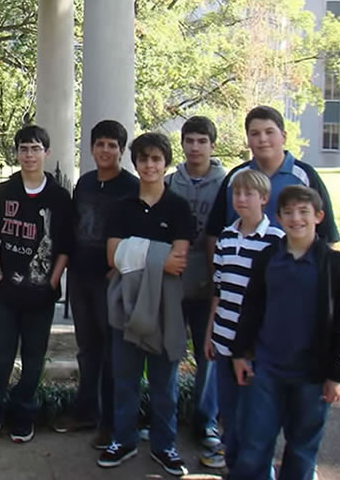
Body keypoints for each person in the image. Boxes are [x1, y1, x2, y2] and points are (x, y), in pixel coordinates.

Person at [0, 125, 74, 446]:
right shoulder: (3, 192)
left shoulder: (59, 197)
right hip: (7, 294)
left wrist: (52, 282)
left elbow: (65, 246)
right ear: (17, 153)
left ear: (46, 153)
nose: (29, 155)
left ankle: (23, 415)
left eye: (36, 148)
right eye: (24, 149)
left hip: (41, 295)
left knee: (33, 359)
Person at [229, 185, 340, 480]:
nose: (296, 219)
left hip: (312, 373)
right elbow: (251, 308)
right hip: (268, 369)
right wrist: (240, 353)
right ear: (279, 219)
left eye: (303, 212)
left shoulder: (334, 264)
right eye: (288, 213)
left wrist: (339, 374)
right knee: (256, 442)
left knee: (302, 446)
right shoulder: (269, 258)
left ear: (319, 216)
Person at [98, 133, 195, 476]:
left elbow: (178, 262)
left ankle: (164, 445)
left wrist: (135, 251)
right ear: (135, 163)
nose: (150, 165)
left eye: (156, 159)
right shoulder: (121, 207)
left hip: (166, 305)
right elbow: (113, 256)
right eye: (143, 159)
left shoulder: (178, 207)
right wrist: (157, 255)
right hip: (127, 300)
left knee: (163, 383)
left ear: (165, 162)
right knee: (124, 378)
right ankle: (122, 440)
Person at [53, 120, 138, 449]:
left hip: (110, 279)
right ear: (91, 148)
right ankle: (85, 410)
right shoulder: (85, 183)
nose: (106, 150)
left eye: (112, 145)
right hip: (81, 276)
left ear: (121, 150)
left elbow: (135, 232)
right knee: (87, 349)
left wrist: (118, 268)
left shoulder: (130, 187)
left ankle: (111, 422)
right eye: (100, 144)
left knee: (112, 351)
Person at [203, 169, 284, 474]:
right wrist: (210, 332)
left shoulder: (276, 240)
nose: (241, 199)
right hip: (224, 341)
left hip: (254, 347)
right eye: (237, 193)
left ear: (264, 199)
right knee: (231, 416)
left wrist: (254, 345)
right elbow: (219, 289)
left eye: (249, 194)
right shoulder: (225, 237)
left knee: (257, 420)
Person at [164, 115, 226, 464]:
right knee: (171, 353)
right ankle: (167, 420)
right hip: (176, 281)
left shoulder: (226, 183)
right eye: (189, 140)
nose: (195, 147)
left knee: (209, 356)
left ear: (212, 145)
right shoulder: (173, 183)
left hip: (210, 283)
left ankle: (205, 423)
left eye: (202, 140)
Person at [208, 105, 340, 243]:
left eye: (269, 132)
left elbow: (327, 234)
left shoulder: (305, 176)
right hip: (241, 262)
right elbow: (214, 232)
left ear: (283, 136)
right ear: (247, 139)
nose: (262, 139)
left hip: (292, 263)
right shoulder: (235, 178)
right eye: (255, 134)